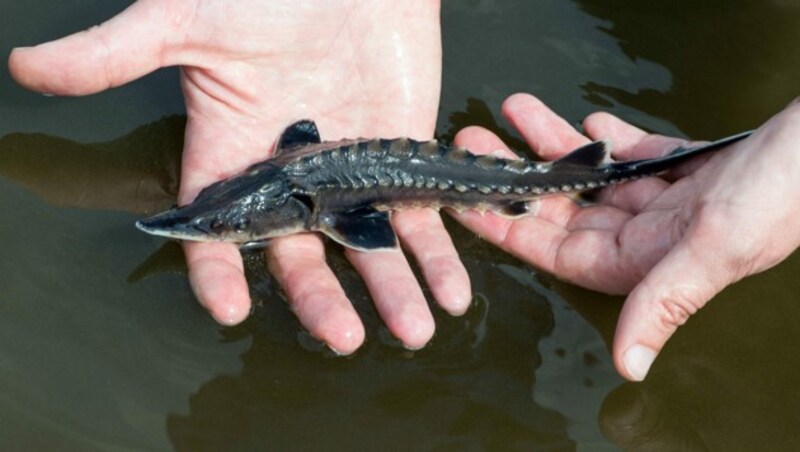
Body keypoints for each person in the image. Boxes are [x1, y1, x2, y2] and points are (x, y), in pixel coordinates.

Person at [9, 0, 800, 381]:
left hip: (503, 180)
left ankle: (631, 163)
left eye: (230, 230)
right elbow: (304, 142)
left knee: (527, 185)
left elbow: (357, 214)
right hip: (357, 175)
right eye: (223, 225)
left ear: (293, 208)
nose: (218, 227)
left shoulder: (328, 209)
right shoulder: (290, 174)